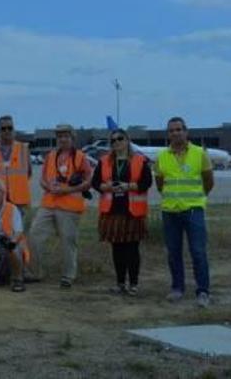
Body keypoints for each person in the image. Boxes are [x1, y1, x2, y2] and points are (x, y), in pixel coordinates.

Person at [155, 117, 214, 308]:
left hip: (193, 210)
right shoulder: (162, 156)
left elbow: (208, 181)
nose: (175, 133)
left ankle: (203, 291)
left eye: (179, 129)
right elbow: (160, 184)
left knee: (198, 251)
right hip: (170, 211)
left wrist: (197, 198)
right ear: (168, 134)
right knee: (173, 252)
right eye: (171, 130)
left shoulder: (199, 154)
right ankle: (177, 287)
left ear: (186, 132)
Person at [28, 124, 93, 289]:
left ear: (72, 138)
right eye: (59, 136)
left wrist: (69, 189)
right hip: (49, 203)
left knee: (68, 241)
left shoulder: (80, 157)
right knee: (34, 235)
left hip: (70, 206)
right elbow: (42, 178)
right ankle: (36, 272)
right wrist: (48, 186)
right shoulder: (50, 156)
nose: (62, 139)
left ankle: (68, 275)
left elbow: (88, 182)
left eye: (66, 136)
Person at [91, 129, 152, 296]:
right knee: (117, 249)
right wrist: (106, 186)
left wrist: (128, 186)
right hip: (112, 211)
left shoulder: (140, 161)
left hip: (132, 211)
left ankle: (133, 283)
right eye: (113, 140)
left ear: (127, 140)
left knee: (132, 249)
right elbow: (95, 182)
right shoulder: (104, 161)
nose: (116, 142)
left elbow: (146, 182)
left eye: (120, 139)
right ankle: (120, 283)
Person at [0, 115, 32, 224]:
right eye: (3, 129)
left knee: (17, 235)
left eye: (9, 128)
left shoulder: (23, 149)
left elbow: (28, 173)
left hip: (19, 203)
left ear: (14, 130)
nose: (7, 131)